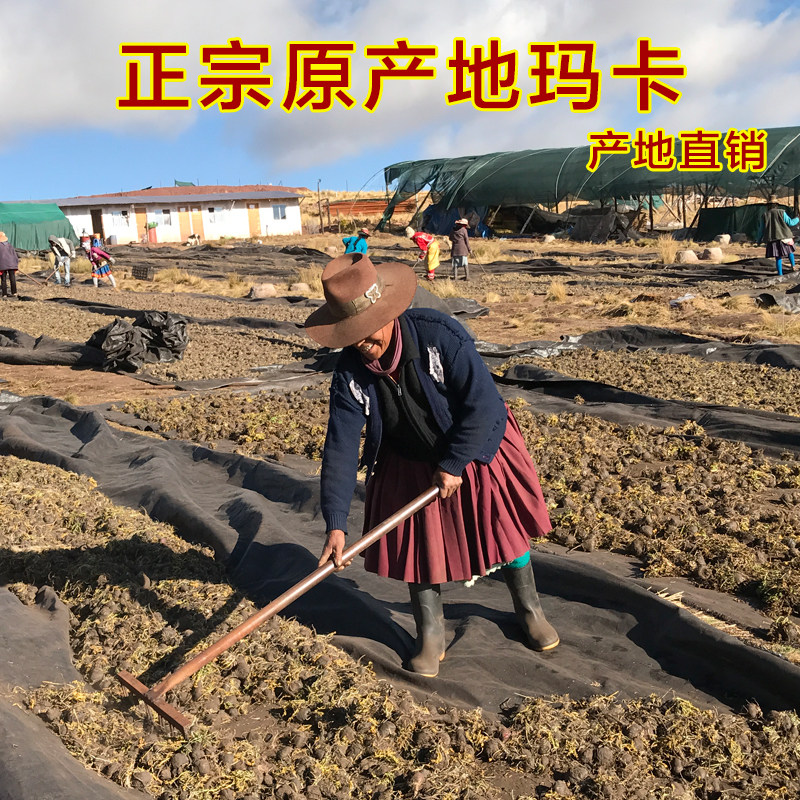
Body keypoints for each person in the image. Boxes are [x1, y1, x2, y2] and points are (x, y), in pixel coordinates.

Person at [307, 252, 558, 678]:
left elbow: (484, 405)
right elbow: (341, 447)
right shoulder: (350, 373)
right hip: (406, 454)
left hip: (472, 440)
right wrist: (335, 523)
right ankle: (431, 632)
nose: (362, 343)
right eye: (352, 335)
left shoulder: (439, 337)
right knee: (419, 544)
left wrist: (455, 461)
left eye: (368, 331)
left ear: (389, 313)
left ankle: (529, 609)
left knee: (502, 526)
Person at [757, 196, 799, 276]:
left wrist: (758, 240)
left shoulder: (765, 215)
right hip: (785, 237)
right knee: (790, 252)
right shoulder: (782, 212)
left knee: (778, 256)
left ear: (768, 205)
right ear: (776, 205)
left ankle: (780, 274)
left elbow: (761, 230)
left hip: (773, 238)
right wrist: (797, 219)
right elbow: (790, 223)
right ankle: (793, 266)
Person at [0, 231, 19, 299]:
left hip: (2, 265)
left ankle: (4, 294)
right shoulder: (9, 245)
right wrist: (16, 263)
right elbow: (15, 255)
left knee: (3, 279)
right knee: (12, 278)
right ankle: (14, 292)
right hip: (11, 264)